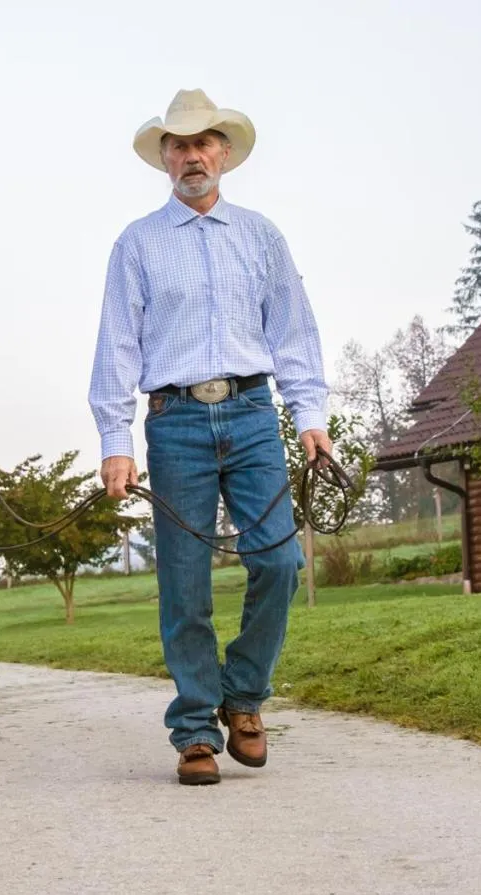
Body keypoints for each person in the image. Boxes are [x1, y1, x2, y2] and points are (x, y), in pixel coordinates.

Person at [87, 89, 332, 785]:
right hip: (176, 423)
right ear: (163, 157)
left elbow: (293, 333)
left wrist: (310, 418)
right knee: (185, 584)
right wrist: (116, 441)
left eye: (204, 144)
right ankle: (195, 727)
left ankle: (244, 697)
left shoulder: (260, 236)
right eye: (179, 145)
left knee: (279, 564)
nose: (192, 156)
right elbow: (117, 346)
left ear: (224, 154)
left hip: (254, 416)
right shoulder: (137, 244)